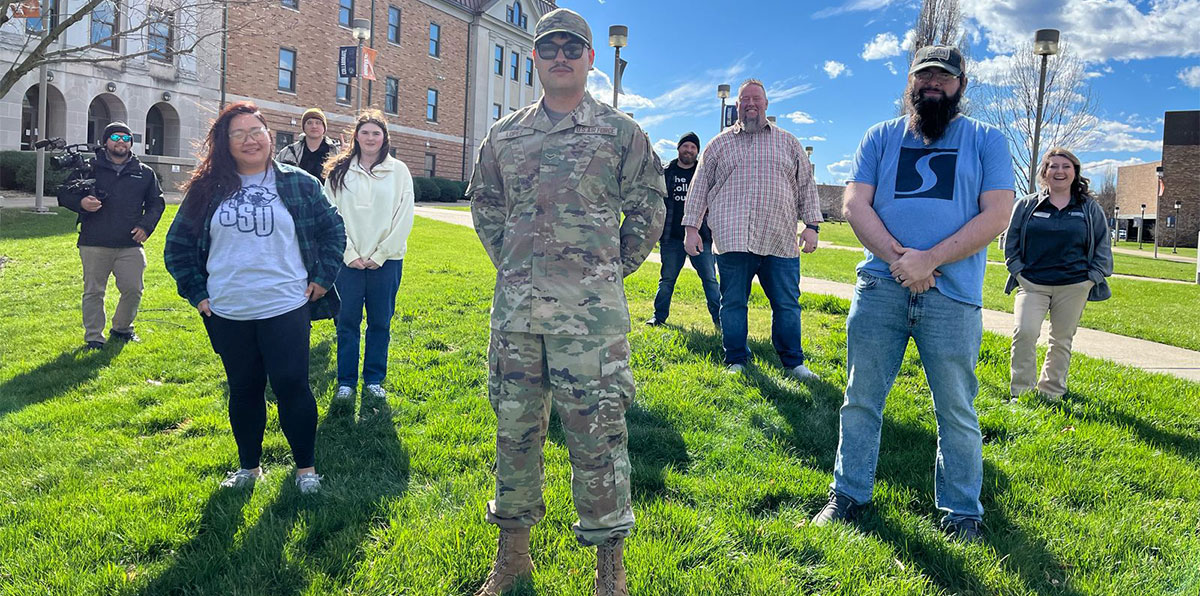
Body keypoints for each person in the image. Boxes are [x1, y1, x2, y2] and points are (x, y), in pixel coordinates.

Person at [467, 8, 665, 596]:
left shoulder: (620, 133)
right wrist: (514, 264)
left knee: (598, 436)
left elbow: (651, 204)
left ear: (590, 60)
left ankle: (610, 566)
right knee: (515, 433)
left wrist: (611, 268)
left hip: (591, 323)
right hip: (518, 317)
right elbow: (486, 206)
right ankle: (514, 557)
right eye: (549, 47)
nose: (560, 56)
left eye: (571, 48)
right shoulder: (504, 137)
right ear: (534, 58)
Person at [812, 46, 1015, 542]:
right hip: (881, 287)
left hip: (952, 295)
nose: (932, 84)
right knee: (860, 399)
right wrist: (903, 261)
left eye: (943, 77)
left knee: (957, 409)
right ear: (910, 81)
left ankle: (962, 511)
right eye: (924, 75)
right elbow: (854, 203)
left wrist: (930, 260)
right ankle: (849, 494)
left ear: (960, 84)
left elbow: (997, 214)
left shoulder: (987, 140)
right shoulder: (880, 137)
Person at [164, 101, 345, 495]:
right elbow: (177, 247)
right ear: (224, 144)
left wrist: (321, 279)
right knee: (244, 389)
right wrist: (198, 294)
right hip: (228, 309)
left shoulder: (299, 183)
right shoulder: (206, 188)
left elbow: (334, 232)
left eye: (256, 131)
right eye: (238, 134)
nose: (250, 140)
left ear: (269, 135)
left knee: (292, 385)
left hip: (286, 304)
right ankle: (250, 467)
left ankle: (305, 470)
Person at [681, 79, 823, 379]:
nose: (750, 104)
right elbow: (699, 188)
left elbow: (806, 186)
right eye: (744, 99)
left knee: (787, 304)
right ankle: (736, 359)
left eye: (756, 99)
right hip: (733, 240)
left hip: (780, 240)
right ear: (737, 107)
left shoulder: (789, 142)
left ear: (767, 104)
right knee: (732, 303)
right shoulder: (718, 144)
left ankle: (793, 362)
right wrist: (691, 228)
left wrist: (811, 226)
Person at [1004, 148, 1113, 400]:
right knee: (1025, 333)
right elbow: (1009, 244)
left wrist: (1091, 279)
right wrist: (1019, 273)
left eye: (1066, 166)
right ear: (1044, 172)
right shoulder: (1027, 205)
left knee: (1061, 340)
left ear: (1075, 172)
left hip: (1074, 285)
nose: (1059, 171)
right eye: (1053, 166)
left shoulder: (1089, 208)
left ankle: (1051, 392)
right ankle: (1021, 393)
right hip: (1032, 284)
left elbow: (1103, 245)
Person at [323, 110, 415, 406]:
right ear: (356, 136)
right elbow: (329, 215)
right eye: (365, 132)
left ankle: (374, 380)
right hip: (347, 262)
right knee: (346, 323)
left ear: (384, 137)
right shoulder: (338, 170)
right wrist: (348, 254)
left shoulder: (398, 171)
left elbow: (404, 216)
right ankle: (346, 382)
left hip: (386, 262)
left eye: (377, 133)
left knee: (380, 323)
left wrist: (381, 254)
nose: (371, 138)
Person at [57, 121, 165, 351]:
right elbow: (63, 194)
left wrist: (146, 226)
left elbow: (157, 203)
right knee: (94, 291)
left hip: (130, 243)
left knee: (133, 289)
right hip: (94, 241)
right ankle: (94, 337)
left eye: (126, 139)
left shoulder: (144, 172)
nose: (121, 143)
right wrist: (81, 203)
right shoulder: (89, 168)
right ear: (105, 141)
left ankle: (122, 328)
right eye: (115, 138)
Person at [646, 132, 721, 328]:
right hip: (672, 237)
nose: (689, 150)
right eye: (685, 146)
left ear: (698, 151)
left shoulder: (703, 173)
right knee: (667, 279)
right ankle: (658, 317)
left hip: (700, 237)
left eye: (693, 148)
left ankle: (720, 319)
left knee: (710, 279)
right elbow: (657, 202)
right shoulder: (666, 172)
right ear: (679, 148)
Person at [277, 108, 341, 182]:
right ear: (303, 127)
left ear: (324, 127)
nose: (314, 126)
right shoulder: (288, 152)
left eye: (318, 122)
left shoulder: (336, 153)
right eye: (309, 123)